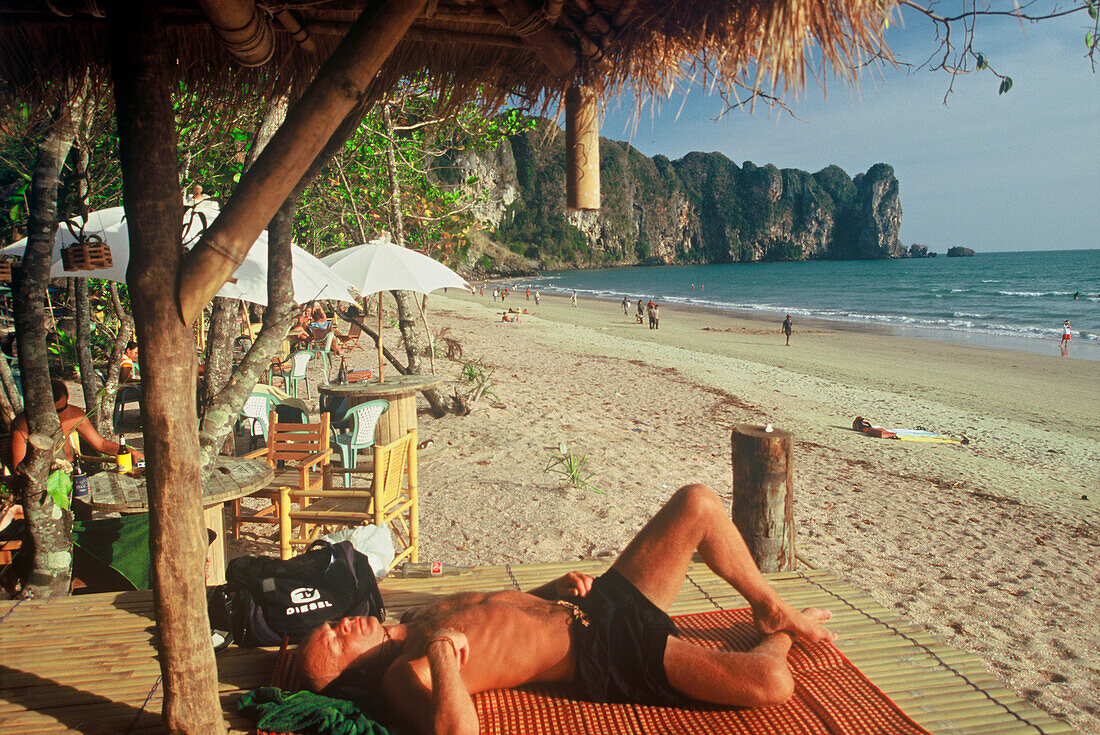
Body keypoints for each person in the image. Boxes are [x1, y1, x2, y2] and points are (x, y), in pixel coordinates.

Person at [297, 484, 834, 734]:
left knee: (698, 504)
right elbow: (458, 733)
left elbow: (500, 617)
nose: (344, 624)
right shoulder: (399, 674)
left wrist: (551, 588)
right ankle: (780, 636)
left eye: (333, 624)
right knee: (772, 683)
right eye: (339, 641)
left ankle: (770, 608)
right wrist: (439, 654)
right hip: (606, 651)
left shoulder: (410, 621)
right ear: (352, 671)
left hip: (596, 603)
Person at [10, 378, 144, 469]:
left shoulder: (74, 415)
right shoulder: (22, 426)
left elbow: (101, 444)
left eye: (62, 409)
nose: (59, 416)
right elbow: (18, 468)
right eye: (53, 411)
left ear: (67, 399)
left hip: (71, 469)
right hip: (41, 479)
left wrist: (132, 452)